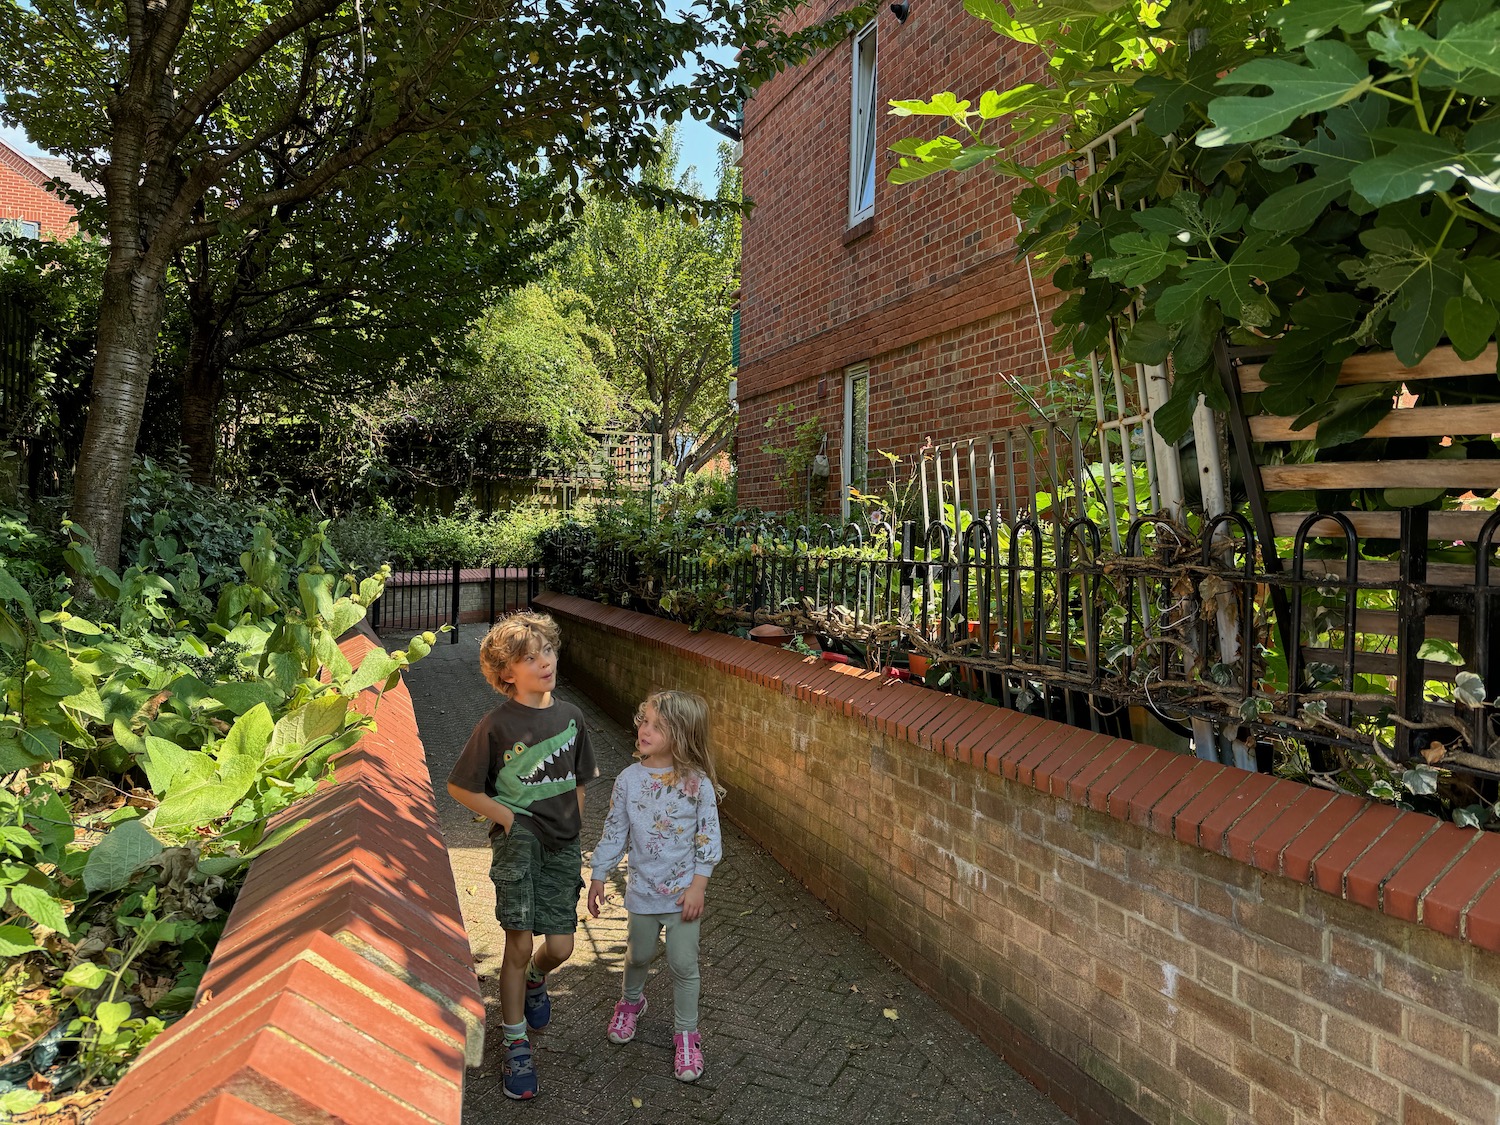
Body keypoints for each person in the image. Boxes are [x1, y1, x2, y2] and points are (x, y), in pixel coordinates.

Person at [447, 612, 597, 1102]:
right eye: (529, 657)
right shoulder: (495, 725)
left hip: (563, 844)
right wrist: (507, 818)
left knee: (560, 947)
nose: (544, 662)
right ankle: (514, 1044)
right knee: (516, 941)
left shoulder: (571, 718)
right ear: (506, 673)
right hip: (518, 841)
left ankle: (536, 979)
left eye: (547, 651)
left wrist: (574, 831)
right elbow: (459, 786)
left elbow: (578, 781)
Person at [586, 690, 723, 1083]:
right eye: (644, 720)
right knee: (638, 955)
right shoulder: (628, 781)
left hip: (683, 897)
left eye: (656, 726)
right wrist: (599, 872)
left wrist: (699, 886)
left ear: (680, 736)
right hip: (642, 893)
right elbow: (615, 831)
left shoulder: (698, 785)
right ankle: (632, 1002)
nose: (644, 730)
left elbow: (707, 840)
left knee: (684, 965)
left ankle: (686, 1033)